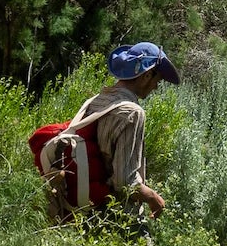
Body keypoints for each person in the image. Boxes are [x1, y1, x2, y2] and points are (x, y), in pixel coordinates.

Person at [69, 42, 179, 220]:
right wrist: (153, 198)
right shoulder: (133, 113)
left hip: (84, 209)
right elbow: (124, 182)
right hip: (115, 214)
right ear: (146, 76)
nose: (156, 87)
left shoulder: (96, 100)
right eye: (157, 80)